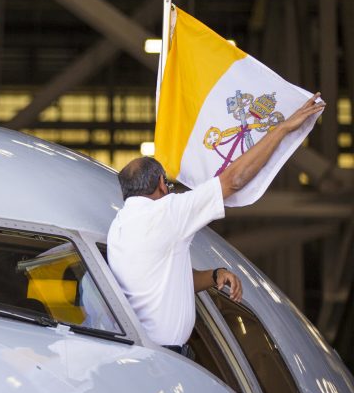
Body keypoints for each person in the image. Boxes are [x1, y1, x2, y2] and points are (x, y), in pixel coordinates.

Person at [107, 93, 326, 354]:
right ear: (161, 185)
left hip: (147, 353)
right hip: (162, 357)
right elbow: (233, 181)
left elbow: (163, 280)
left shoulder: (120, 226)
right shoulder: (167, 212)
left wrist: (213, 276)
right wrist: (282, 129)